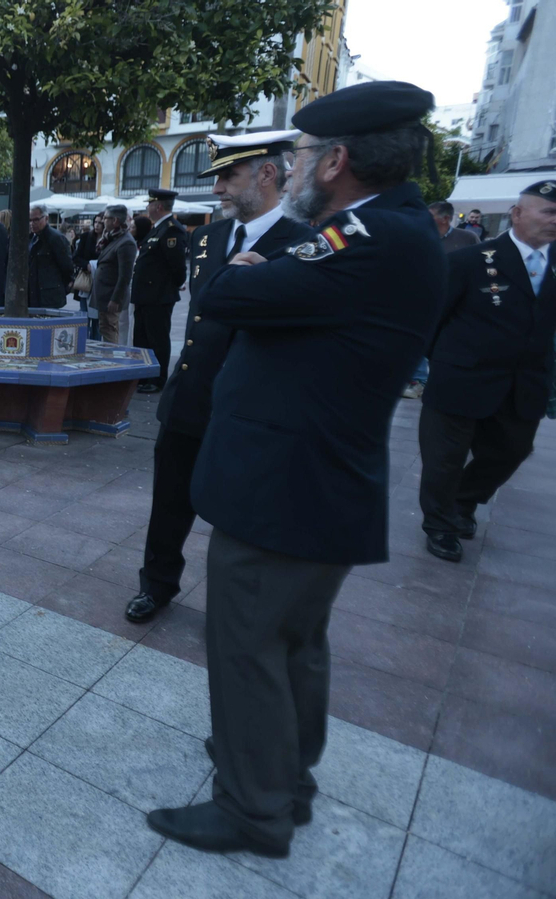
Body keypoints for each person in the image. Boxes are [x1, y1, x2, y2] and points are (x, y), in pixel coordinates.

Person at [145, 81, 448, 858]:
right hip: (311, 484)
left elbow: (235, 294)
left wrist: (241, 273)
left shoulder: (371, 238)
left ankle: (253, 807)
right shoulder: (389, 227)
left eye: (305, 156)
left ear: (338, 160)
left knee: (248, 644)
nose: (298, 168)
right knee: (294, 644)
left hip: (289, 486)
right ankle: (284, 775)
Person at [124, 130, 310, 625]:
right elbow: (204, 312)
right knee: (169, 503)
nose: (218, 188)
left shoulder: (305, 243)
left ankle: (238, 608)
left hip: (250, 406)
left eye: (228, 176)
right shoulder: (205, 238)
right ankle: (157, 585)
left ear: (266, 174)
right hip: (191, 394)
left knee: (242, 516)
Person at [416, 179, 556, 562]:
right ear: (517, 214)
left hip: (523, 384)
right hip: (461, 379)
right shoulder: (472, 260)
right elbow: (431, 318)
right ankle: (441, 525)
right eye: (549, 210)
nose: (555, 220)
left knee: (511, 452)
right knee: (444, 459)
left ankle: (463, 501)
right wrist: (446, 361)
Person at [404, 201, 483, 399]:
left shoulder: (467, 238)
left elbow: (482, 264)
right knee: (422, 336)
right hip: (425, 298)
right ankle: (419, 381)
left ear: (445, 219)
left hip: (458, 301)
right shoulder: (421, 238)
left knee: (446, 339)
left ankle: (440, 379)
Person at [131, 188, 189, 393]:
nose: (147, 207)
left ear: (158, 206)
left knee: (157, 339)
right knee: (143, 338)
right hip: (146, 296)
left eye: (149, 204)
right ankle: (144, 376)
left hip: (158, 296)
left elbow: (178, 268)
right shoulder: (158, 229)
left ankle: (157, 379)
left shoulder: (171, 230)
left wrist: (168, 287)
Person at [91, 205, 136, 344]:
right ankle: (107, 355)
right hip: (104, 295)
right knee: (105, 329)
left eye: (105, 218)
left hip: (111, 297)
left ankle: (111, 357)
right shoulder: (112, 238)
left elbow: (125, 276)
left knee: (110, 330)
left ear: (115, 220)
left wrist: (115, 299)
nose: (103, 221)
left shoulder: (126, 242)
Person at [26, 204, 74, 309]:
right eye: (30, 220)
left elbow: (67, 267)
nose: (32, 223)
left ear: (46, 218)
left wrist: (60, 287)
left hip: (49, 295)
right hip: (33, 293)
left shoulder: (55, 238)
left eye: (36, 220)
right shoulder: (31, 237)